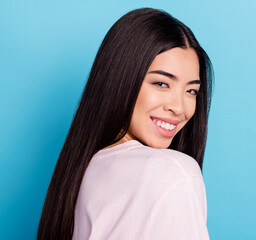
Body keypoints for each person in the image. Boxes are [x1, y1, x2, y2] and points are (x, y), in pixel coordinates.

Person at [37, 7, 213, 239]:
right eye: (161, 84)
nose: (179, 107)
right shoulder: (173, 173)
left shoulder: (82, 172)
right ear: (120, 79)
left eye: (191, 90)